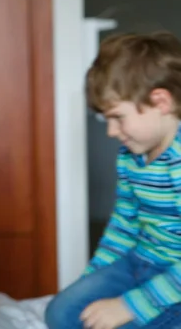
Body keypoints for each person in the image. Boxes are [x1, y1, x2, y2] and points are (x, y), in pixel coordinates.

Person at [45, 32, 181, 329]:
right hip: (140, 261)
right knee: (62, 312)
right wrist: (91, 282)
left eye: (118, 117)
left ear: (161, 102)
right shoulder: (130, 155)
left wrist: (129, 305)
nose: (111, 131)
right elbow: (124, 223)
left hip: (178, 275)